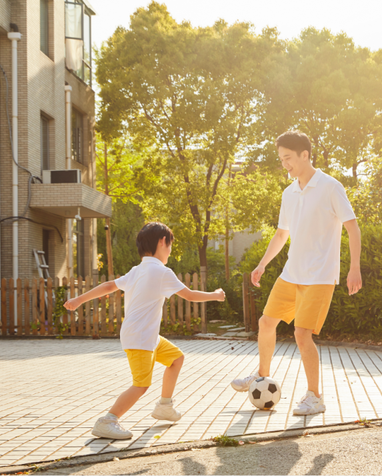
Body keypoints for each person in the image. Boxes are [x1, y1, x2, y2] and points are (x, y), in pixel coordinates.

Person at [230, 130, 362, 416]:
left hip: (320, 276)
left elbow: (352, 226)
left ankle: (315, 397)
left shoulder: (330, 186)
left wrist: (354, 268)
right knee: (266, 323)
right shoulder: (289, 193)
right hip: (292, 273)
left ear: (305, 154)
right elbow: (281, 234)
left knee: (302, 335)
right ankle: (261, 376)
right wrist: (263, 263)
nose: (284, 164)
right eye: (281, 159)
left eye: (288, 158)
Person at [64, 222, 226, 439]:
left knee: (176, 358)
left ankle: (164, 407)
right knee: (140, 385)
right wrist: (215, 295)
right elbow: (189, 295)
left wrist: (78, 300)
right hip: (140, 337)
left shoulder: (137, 270)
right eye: (169, 245)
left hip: (145, 335)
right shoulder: (161, 271)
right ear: (161, 242)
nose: (170, 251)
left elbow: (109, 286)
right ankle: (107, 420)